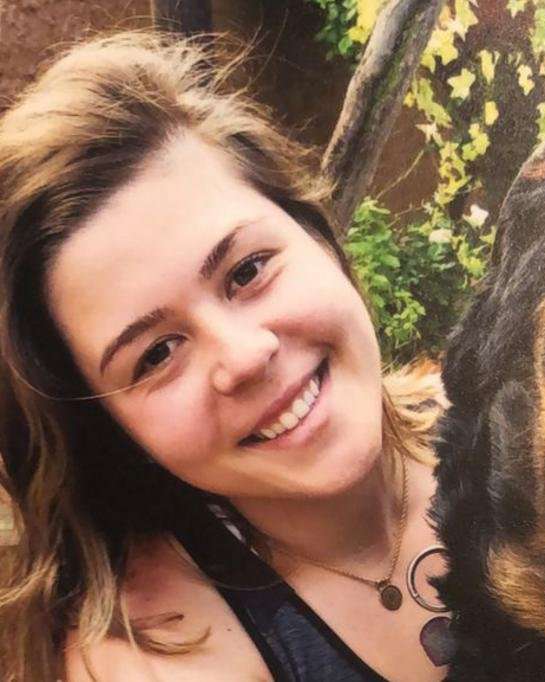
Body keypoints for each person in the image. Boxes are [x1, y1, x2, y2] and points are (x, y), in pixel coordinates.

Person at [0, 31, 451, 681]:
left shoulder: (529, 429)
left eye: (247, 270)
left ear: (317, 235)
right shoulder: (161, 659)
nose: (245, 356)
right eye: (156, 354)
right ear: (113, 430)